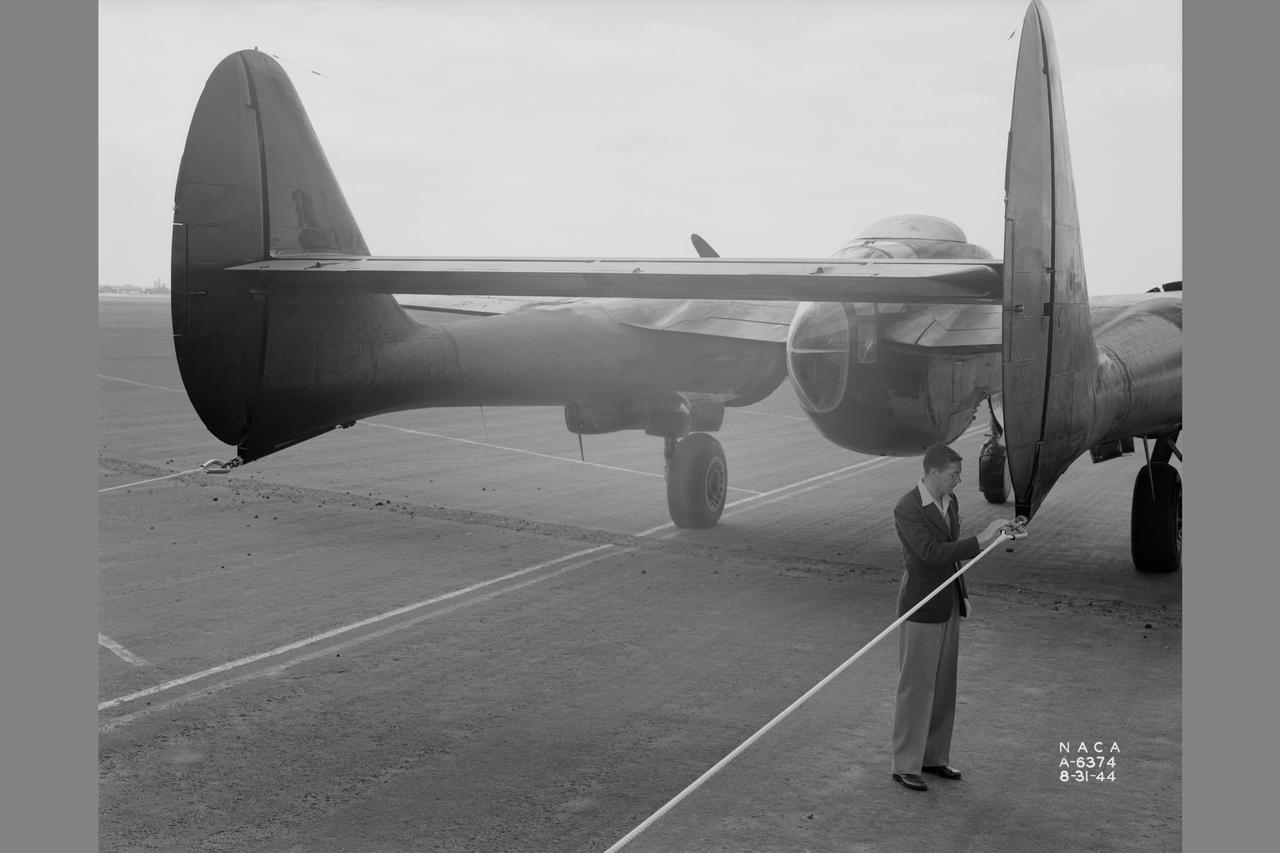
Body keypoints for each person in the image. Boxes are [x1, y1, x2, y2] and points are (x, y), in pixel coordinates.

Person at [890, 442, 1021, 792]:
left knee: (944, 685)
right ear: (933, 473)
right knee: (916, 686)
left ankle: (933, 756)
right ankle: (905, 764)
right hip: (921, 606)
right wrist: (981, 537)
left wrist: (963, 594)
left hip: (947, 603)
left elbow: (952, 560)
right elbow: (931, 554)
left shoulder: (950, 502)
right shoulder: (907, 507)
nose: (959, 481)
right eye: (954, 475)